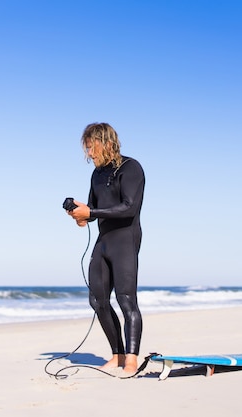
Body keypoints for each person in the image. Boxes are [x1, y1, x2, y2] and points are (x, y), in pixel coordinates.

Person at [66, 122, 146, 375]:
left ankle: (132, 357)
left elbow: (129, 207)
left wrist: (91, 212)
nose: (90, 154)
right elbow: (93, 208)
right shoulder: (97, 174)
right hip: (103, 242)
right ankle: (118, 354)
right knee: (97, 300)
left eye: (93, 147)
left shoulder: (131, 168)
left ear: (107, 142)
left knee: (126, 299)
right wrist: (81, 214)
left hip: (125, 240)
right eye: (87, 149)